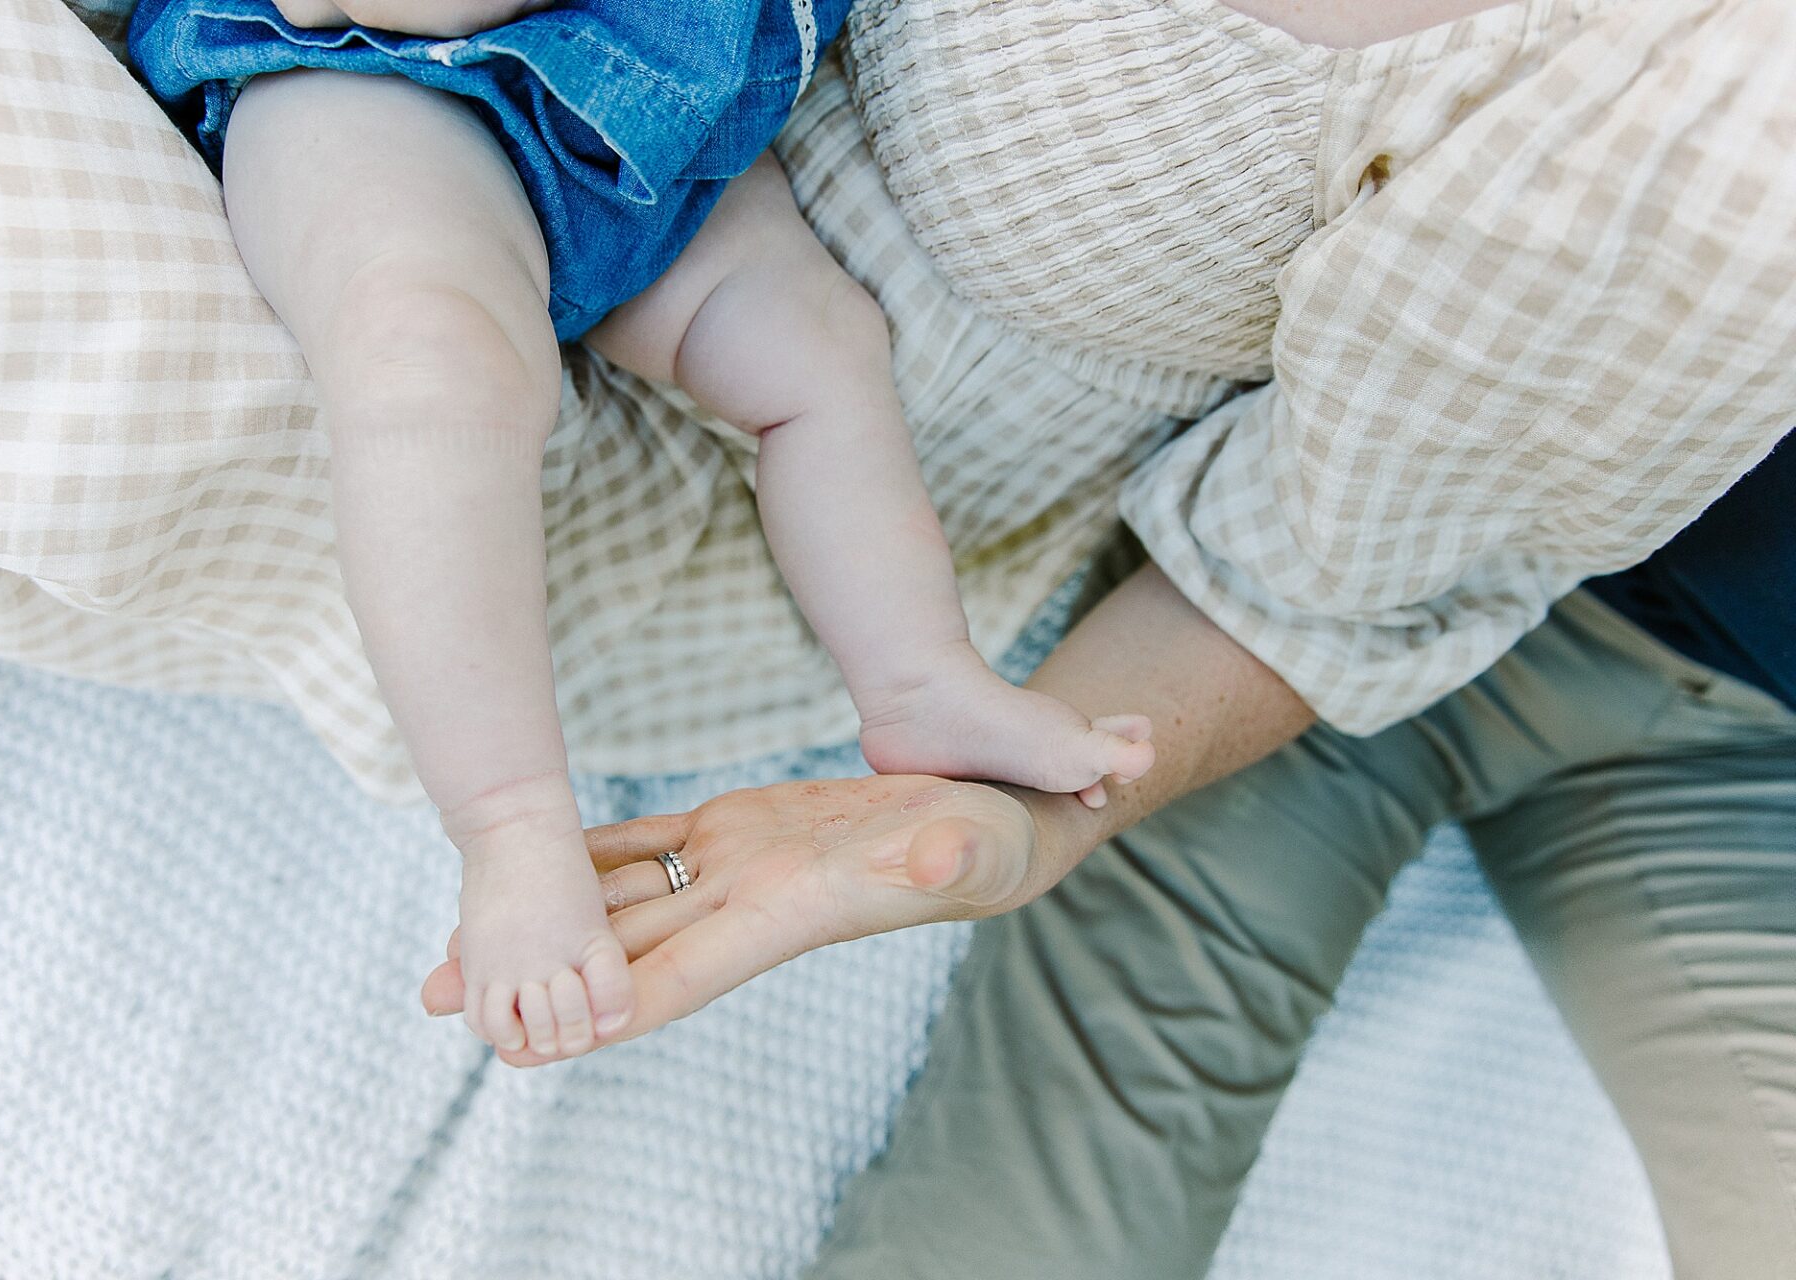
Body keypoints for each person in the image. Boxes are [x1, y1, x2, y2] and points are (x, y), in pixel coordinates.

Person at [409, 1, 1796, 1273]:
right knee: (1053, 1190)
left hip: (1740, 749)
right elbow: (1305, 580)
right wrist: (1020, 818)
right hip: (1359, 607)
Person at [124, 0, 1153, 1061]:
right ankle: (511, 822)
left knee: (816, 348)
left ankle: (918, 676)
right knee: (431, 359)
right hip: (379, 88)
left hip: (649, 138)